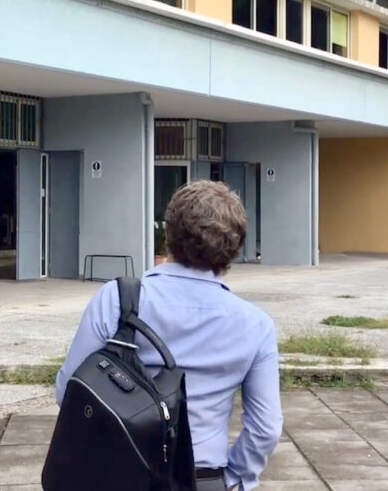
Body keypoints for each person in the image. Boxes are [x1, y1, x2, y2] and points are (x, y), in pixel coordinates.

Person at [55, 180, 283, 491]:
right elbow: (266, 429)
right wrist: (232, 479)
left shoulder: (118, 299)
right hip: (204, 478)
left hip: (119, 473)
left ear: (169, 234)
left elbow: (69, 391)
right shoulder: (256, 324)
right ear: (234, 247)